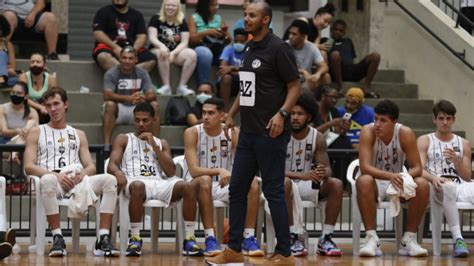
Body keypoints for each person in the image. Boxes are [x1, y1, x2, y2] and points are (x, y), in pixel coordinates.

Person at [206, 2, 300, 264]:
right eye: (245, 14)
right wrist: (231, 114)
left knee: (273, 191)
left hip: (271, 131)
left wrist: (282, 114)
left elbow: (295, 87)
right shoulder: (248, 46)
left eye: (252, 15)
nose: (246, 19)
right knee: (237, 189)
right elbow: (246, 88)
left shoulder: (279, 48)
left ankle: (284, 252)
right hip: (247, 132)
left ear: (266, 19)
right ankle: (233, 248)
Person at [23, 87, 120, 257]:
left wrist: (83, 174)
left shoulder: (79, 134)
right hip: (54, 182)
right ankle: (58, 238)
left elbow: (90, 165)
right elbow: (29, 166)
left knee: (110, 180)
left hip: (77, 180)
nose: (53, 109)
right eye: (49, 105)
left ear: (66, 104)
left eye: (56, 104)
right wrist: (56, 175)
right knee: (47, 180)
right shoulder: (36, 132)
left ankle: (103, 237)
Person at [107, 102, 200, 256]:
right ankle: (135, 238)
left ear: (154, 120)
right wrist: (118, 173)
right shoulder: (124, 139)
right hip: (134, 182)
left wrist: (155, 147)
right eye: (137, 120)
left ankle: (189, 239)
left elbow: (170, 171)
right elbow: (111, 165)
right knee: (138, 185)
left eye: (145, 120)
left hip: (159, 182)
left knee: (188, 186)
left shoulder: (161, 143)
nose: (140, 124)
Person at [184, 97, 264, 258]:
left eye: (211, 113)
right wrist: (219, 170)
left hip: (224, 184)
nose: (205, 117)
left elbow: (245, 166)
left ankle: (248, 237)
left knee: (253, 182)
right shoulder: (192, 132)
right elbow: (193, 171)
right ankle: (210, 239)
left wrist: (231, 176)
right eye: (204, 113)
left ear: (222, 116)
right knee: (206, 180)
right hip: (197, 185)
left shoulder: (233, 132)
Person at [356, 99, 429, 257]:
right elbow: (364, 167)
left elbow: (417, 167)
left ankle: (408, 239)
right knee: (363, 180)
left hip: (397, 180)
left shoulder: (405, 133)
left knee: (422, 184)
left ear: (394, 122)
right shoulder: (367, 131)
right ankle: (371, 238)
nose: (377, 124)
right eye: (376, 119)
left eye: (383, 120)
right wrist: (391, 176)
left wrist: (405, 177)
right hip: (374, 181)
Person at [283, 94, 343, 257]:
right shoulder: (280, 133)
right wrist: (303, 175)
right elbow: (271, 170)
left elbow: (328, 168)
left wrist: (323, 172)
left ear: (309, 116)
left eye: (299, 114)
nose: (295, 117)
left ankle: (326, 238)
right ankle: (292, 236)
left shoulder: (317, 137)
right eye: (292, 113)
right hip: (282, 186)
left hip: (307, 184)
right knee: (285, 182)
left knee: (336, 184)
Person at [417, 100, 471, 258]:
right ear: (434, 119)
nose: (445, 122)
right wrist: (433, 178)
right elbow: (419, 169)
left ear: (454, 119)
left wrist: (457, 161)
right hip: (434, 186)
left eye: (448, 118)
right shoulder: (425, 140)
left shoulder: (464, 143)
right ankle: (458, 239)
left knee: (453, 186)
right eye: (441, 118)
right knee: (448, 186)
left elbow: (467, 176)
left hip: (459, 185)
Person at [102, 46, 160, 146]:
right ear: (119, 59)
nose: (127, 61)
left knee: (154, 105)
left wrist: (144, 98)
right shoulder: (111, 73)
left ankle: (155, 144)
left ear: (136, 60)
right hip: (118, 110)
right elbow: (107, 95)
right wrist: (128, 98)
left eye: (130, 58)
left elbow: (151, 94)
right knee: (110, 104)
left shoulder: (142, 73)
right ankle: (106, 146)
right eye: (124, 58)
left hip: (138, 110)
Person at [148, 0, 196, 96]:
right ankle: (166, 86)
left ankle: (182, 86)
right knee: (162, 53)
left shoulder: (182, 21)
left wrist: (174, 53)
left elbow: (184, 42)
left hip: (176, 52)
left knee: (192, 54)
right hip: (157, 50)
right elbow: (152, 38)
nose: (170, 8)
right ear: (163, 6)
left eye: (173, 6)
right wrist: (162, 46)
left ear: (178, 7)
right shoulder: (156, 18)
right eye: (168, 5)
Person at [92, 0, 156, 72]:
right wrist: (115, 47)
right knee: (103, 56)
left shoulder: (137, 15)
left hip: (131, 48)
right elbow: (98, 33)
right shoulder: (103, 12)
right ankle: (129, 79)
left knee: (151, 60)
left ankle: (124, 78)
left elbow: (142, 36)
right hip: (109, 47)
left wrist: (132, 51)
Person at [329, 19, 381, 98]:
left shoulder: (348, 41)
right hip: (337, 72)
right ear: (331, 30)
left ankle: (365, 88)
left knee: (375, 56)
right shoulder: (327, 41)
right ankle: (341, 88)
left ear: (344, 32)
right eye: (335, 29)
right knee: (335, 54)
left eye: (341, 30)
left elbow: (351, 58)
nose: (338, 32)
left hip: (351, 70)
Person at [188, 0, 230, 85]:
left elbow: (229, 39)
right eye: (212, 5)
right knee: (206, 53)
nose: (215, 8)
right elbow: (191, 39)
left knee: (228, 51)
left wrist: (224, 35)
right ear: (205, 6)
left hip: (217, 46)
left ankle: (222, 82)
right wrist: (207, 32)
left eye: (216, 5)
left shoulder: (219, 18)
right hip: (201, 46)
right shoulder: (194, 18)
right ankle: (203, 85)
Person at [287, 19, 330, 94]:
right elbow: (283, 68)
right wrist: (303, 72)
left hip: (306, 81)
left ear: (303, 36)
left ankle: (321, 102)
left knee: (326, 77)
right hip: (290, 83)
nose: (290, 37)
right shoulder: (284, 46)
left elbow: (324, 66)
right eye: (290, 33)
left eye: (294, 34)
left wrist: (317, 75)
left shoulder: (311, 47)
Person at [0, 81, 38, 163]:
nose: (15, 95)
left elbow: (36, 133)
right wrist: (17, 131)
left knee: (31, 124)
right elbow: (3, 131)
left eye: (19, 93)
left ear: (25, 96)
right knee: (25, 132)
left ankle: (14, 155)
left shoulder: (32, 112)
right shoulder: (2, 108)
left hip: (26, 142)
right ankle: (14, 154)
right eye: (13, 92)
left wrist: (23, 131)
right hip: (6, 142)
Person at [19, 53, 58, 124]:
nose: (35, 64)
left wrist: (44, 106)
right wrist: (39, 107)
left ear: (44, 65)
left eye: (38, 62)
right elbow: (22, 98)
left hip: (45, 109)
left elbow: (53, 97)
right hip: (27, 108)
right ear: (29, 64)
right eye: (32, 62)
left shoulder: (51, 79)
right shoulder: (23, 77)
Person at [217, 28, 247, 111]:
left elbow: (248, 72)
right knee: (226, 78)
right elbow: (222, 69)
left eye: (242, 42)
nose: (238, 44)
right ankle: (224, 111)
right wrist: (239, 71)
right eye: (236, 41)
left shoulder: (249, 51)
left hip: (244, 82)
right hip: (231, 83)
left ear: (247, 41)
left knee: (248, 78)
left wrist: (231, 68)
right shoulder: (228, 49)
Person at [0, 15, 16, 88]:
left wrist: (3, 69)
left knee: (22, 79)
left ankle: (2, 79)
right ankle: (1, 79)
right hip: (5, 75)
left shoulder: (7, 44)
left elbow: (12, 67)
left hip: (6, 77)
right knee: (2, 54)